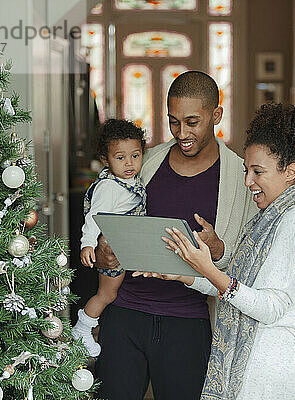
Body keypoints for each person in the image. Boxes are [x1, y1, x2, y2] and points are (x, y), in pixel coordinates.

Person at [138, 103, 295, 400]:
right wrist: (185, 275)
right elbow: (238, 287)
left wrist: (207, 268)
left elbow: (269, 308)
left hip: (278, 370)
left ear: (290, 172)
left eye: (258, 172)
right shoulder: (273, 218)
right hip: (264, 364)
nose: (248, 181)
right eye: (247, 171)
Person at [94, 71, 257, 400]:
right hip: (126, 313)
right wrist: (105, 253)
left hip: (189, 321)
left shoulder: (240, 179)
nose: (183, 133)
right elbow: (108, 223)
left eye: (193, 122)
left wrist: (218, 248)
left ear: (216, 115)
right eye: (174, 122)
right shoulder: (145, 162)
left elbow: (248, 265)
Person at [72, 119, 147, 357]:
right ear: (106, 159)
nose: (129, 163)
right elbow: (94, 217)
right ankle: (82, 328)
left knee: (114, 291)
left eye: (135, 156)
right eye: (121, 157)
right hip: (112, 250)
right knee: (107, 294)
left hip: (125, 245)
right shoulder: (108, 187)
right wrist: (87, 244)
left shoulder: (128, 180)